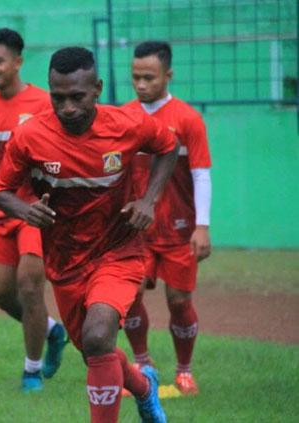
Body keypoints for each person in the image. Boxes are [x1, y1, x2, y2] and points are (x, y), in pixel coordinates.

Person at [0, 46, 178, 422]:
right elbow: (0, 190)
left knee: (98, 336)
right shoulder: (30, 136)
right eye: (57, 98)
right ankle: (142, 389)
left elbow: (168, 146)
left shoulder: (127, 124)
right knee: (94, 350)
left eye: (77, 97)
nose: (68, 108)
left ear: (97, 88)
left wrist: (148, 200)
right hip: (65, 261)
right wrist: (26, 210)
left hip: (118, 251)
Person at [0, 28, 67, 392]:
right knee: (0, 293)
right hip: (1, 212)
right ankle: (54, 330)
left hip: (34, 210)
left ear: (18, 62)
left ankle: (31, 370)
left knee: (29, 287)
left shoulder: (44, 103)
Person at [122, 41, 212, 396]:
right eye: (135, 77)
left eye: (149, 77)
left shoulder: (187, 119)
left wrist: (201, 226)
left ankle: (184, 371)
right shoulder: (126, 116)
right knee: (128, 297)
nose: (141, 84)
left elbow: (201, 173)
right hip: (135, 231)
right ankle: (142, 364)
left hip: (178, 228)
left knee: (178, 301)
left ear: (168, 75)